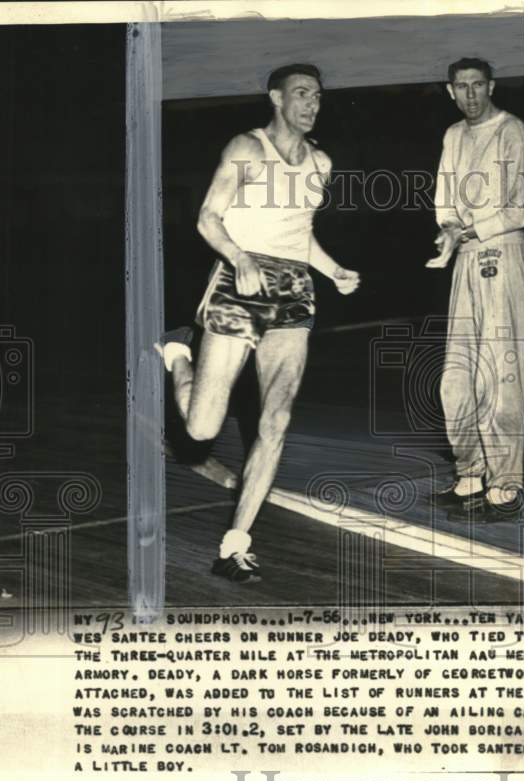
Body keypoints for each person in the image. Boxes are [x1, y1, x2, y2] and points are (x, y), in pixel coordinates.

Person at [159, 64, 360, 582]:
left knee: (276, 420)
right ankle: (177, 354)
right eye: (301, 94)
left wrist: (333, 270)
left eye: (318, 96)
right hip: (238, 282)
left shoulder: (320, 162)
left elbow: (299, 233)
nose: (312, 104)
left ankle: (236, 544)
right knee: (201, 428)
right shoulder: (246, 148)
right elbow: (208, 217)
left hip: (294, 290)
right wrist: (240, 259)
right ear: (276, 97)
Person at [427, 57, 524, 523]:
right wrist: (450, 231)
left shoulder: (513, 131)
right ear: (450, 91)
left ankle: (505, 485)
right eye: (461, 86)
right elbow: (445, 202)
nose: (470, 94)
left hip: (502, 254)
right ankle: (470, 475)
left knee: (500, 373)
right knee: (457, 376)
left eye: (477, 85)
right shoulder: (453, 135)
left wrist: (471, 229)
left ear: (491, 86)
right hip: (465, 259)